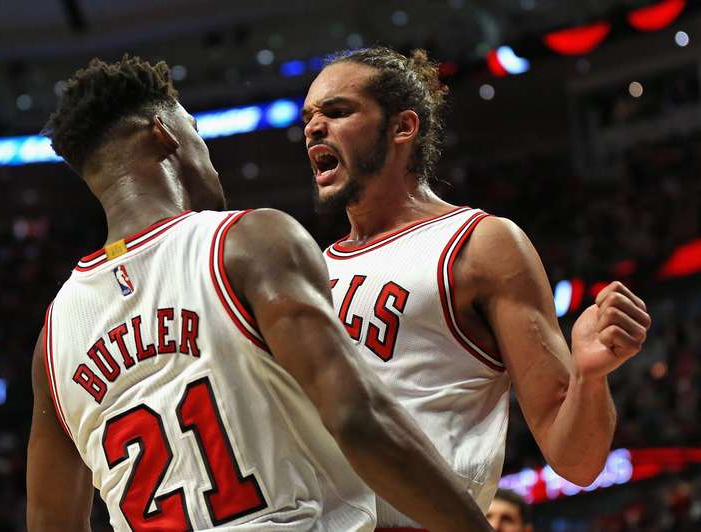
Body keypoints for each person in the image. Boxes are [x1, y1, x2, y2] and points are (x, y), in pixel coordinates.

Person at [25, 55, 491, 532]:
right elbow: (357, 419)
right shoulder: (249, 244)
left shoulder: (54, 338)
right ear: (165, 133)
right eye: (196, 131)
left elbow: (49, 523)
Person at [302, 46, 652, 529]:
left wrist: (590, 377)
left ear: (403, 127)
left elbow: (578, 461)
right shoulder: (314, 270)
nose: (314, 128)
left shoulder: (480, 244)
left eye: (338, 112)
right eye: (309, 118)